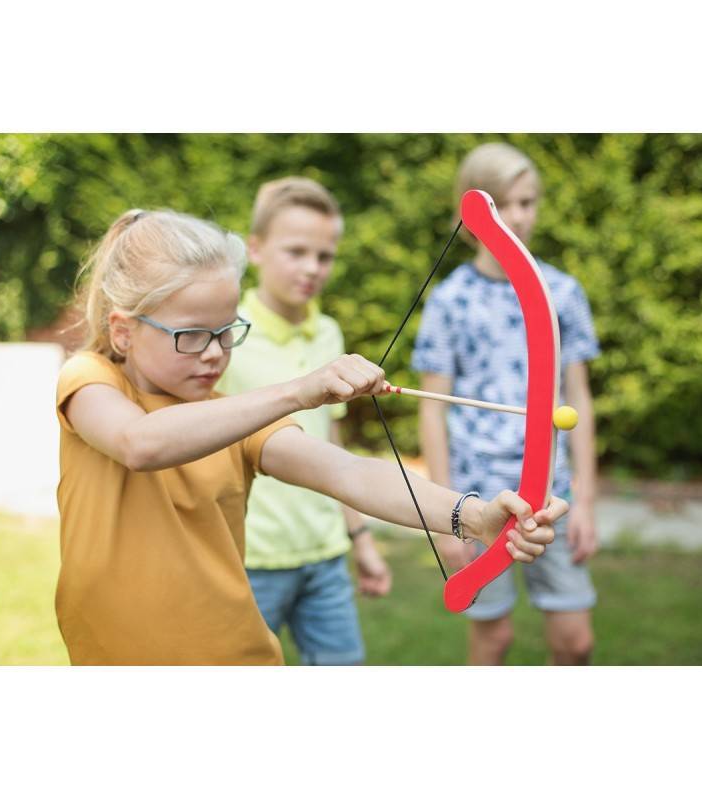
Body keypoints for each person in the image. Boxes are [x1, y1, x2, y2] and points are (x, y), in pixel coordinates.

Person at [55, 206, 566, 666]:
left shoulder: (231, 416)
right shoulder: (89, 381)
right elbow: (139, 444)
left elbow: (346, 471)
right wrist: (299, 390)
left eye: (227, 331)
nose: (214, 353)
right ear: (123, 330)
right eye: (192, 335)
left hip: (234, 659)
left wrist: (474, 516)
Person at [412, 142, 600, 666]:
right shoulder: (451, 298)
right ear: (471, 212)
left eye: (527, 201)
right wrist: (446, 515)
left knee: (575, 641)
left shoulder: (560, 290)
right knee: (491, 641)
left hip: (551, 494)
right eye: (502, 204)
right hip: (477, 494)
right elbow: (432, 408)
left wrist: (584, 500)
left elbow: (577, 397)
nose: (518, 215)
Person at [217, 177, 390, 665]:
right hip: (248, 560)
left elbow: (332, 444)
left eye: (325, 255)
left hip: (325, 556)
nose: (313, 268)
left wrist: (361, 541)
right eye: (296, 251)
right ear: (255, 249)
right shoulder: (224, 334)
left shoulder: (329, 334)